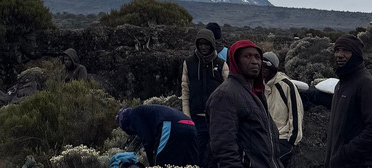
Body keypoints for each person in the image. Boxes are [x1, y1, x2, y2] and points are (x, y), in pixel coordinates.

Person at [204, 40, 283, 168]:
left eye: (258, 57)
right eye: (247, 56)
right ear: (236, 61)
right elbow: (224, 147)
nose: (254, 61)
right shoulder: (225, 95)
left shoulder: (256, 94)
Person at [324, 35, 372, 168]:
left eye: (346, 50)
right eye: (337, 50)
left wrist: (343, 155)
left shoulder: (366, 84)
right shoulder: (341, 84)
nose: (340, 55)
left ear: (356, 55)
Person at [182, 27, 227, 164]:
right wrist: (186, 116)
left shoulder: (221, 64)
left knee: (216, 154)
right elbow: (185, 90)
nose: (203, 47)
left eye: (206, 44)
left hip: (216, 119)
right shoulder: (189, 63)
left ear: (212, 44)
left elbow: (229, 92)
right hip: (196, 119)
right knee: (197, 154)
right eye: (200, 44)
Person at [116, 104, 200, 167]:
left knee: (162, 163)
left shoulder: (133, 115)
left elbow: (147, 141)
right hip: (190, 125)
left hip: (170, 125)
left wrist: (153, 164)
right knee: (191, 164)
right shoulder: (145, 112)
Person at [261, 52, 303, 165]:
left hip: (283, 137)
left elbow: (296, 113)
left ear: (273, 68)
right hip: (265, 136)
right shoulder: (260, 85)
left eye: (266, 67)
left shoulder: (286, 85)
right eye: (261, 66)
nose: (262, 69)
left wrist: (292, 141)